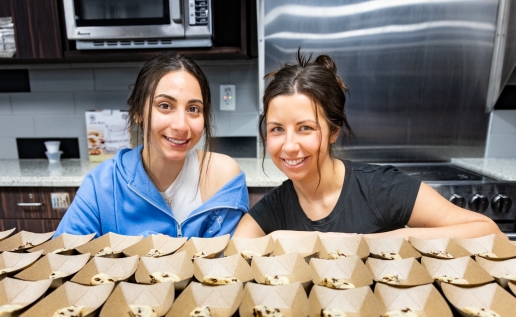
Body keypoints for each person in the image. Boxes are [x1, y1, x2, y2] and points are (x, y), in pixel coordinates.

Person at [234, 51, 505, 240]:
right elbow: (235, 255)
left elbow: (488, 231)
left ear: (333, 132)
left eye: (306, 128)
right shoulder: (273, 208)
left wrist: (388, 239)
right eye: (277, 129)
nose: (289, 146)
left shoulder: (380, 189)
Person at [56, 52, 248, 238]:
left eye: (193, 109)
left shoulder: (223, 178)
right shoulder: (103, 185)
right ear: (138, 112)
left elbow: (226, 264)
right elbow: (64, 258)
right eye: (165, 106)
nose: (181, 125)